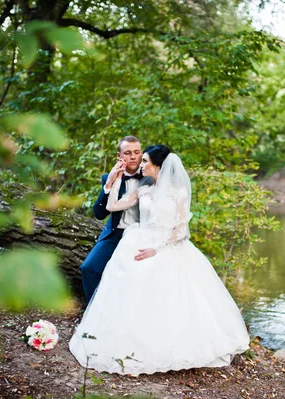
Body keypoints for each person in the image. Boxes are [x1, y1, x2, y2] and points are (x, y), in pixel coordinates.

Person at [69, 145, 249, 375]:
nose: (140, 165)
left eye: (145, 161)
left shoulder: (179, 192)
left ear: (158, 166)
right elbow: (113, 206)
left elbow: (181, 230)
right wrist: (112, 181)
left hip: (168, 245)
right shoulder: (144, 189)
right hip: (140, 239)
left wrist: (157, 249)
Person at [79, 136, 151, 303]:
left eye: (137, 152)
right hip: (115, 234)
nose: (133, 156)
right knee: (88, 268)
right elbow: (99, 214)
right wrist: (110, 183)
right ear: (119, 156)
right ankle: (95, 312)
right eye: (127, 153)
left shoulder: (150, 176)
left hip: (142, 235)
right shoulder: (108, 178)